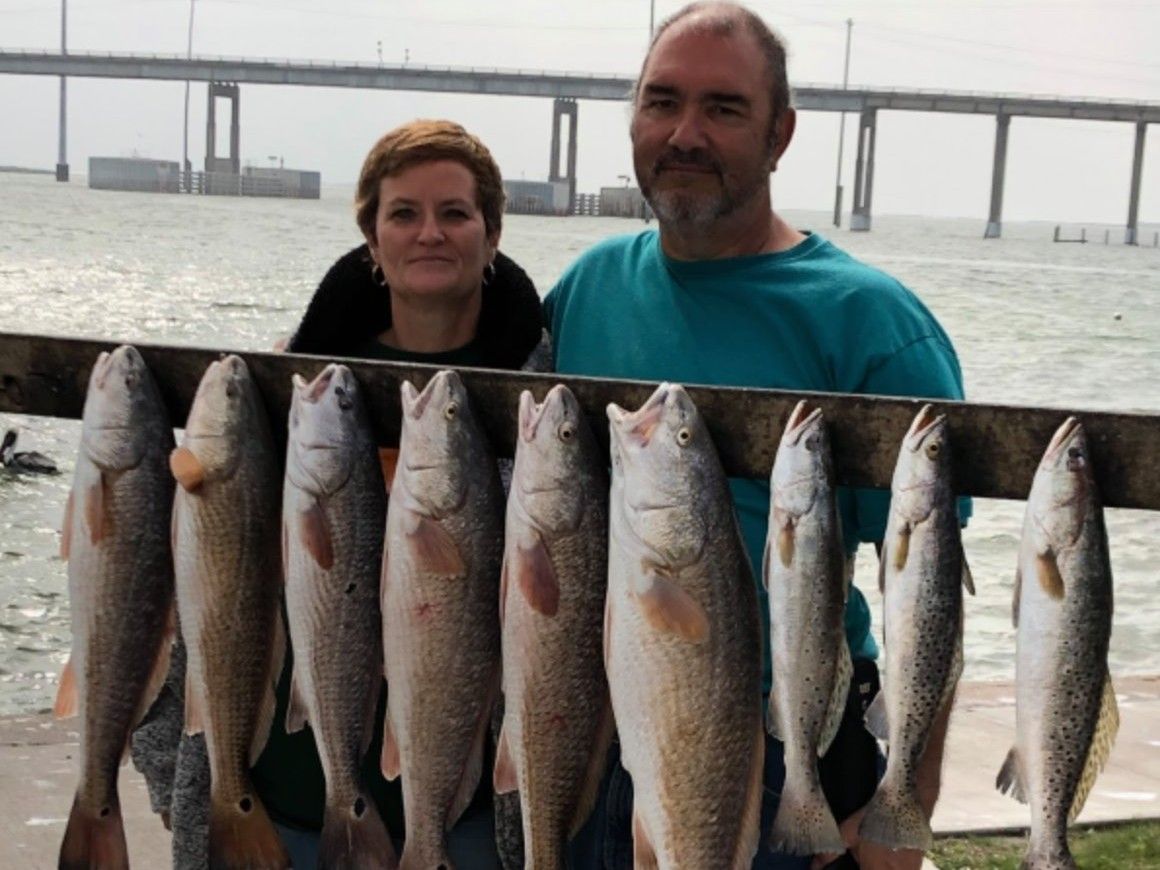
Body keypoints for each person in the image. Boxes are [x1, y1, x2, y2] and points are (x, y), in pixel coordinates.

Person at [543, 4, 969, 869]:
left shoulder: (870, 323)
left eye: (723, 109)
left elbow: (930, 595)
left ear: (781, 134)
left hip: (788, 746)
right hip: (600, 729)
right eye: (661, 103)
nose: (685, 133)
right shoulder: (587, 289)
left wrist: (906, 809)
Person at [133, 118, 546, 870]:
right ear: (371, 239)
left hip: (471, 820)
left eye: (455, 213)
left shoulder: (547, 411)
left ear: (491, 237)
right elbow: (178, 588)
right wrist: (180, 779)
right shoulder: (275, 397)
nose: (430, 233)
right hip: (278, 803)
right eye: (404, 213)